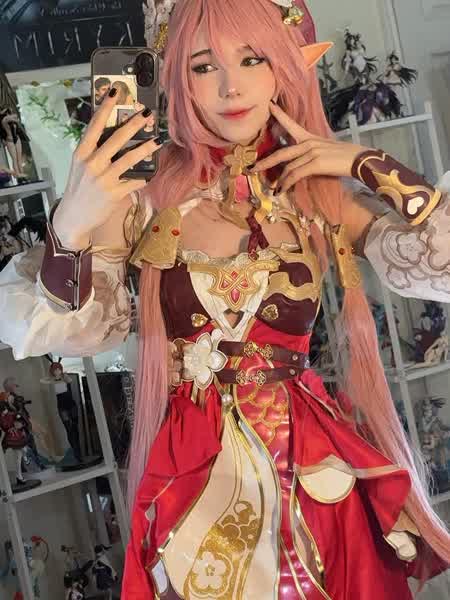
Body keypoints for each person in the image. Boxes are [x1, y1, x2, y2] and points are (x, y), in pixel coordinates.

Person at [0, 0, 449, 598]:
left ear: (285, 66)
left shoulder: (315, 195)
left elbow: (438, 263)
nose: (231, 86)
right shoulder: (142, 200)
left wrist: (369, 164)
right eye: (203, 65)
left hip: (315, 473)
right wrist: (72, 226)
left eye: (252, 58)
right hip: (193, 472)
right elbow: (81, 329)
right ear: (174, 77)